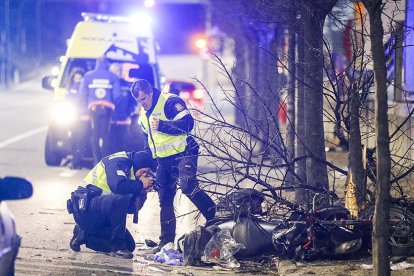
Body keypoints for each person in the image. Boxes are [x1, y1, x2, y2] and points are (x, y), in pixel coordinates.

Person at [130, 79, 216, 253]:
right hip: (164, 159)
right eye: (139, 101)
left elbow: (188, 124)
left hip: (185, 152)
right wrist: (148, 167)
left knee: (188, 186)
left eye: (144, 99)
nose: (143, 103)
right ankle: (166, 241)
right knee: (165, 198)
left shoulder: (170, 102)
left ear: (151, 92)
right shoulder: (143, 113)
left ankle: (215, 218)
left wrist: (163, 125)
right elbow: (149, 141)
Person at [68, 151, 155, 259]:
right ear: (137, 165)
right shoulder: (118, 162)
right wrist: (140, 184)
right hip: (86, 208)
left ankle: (83, 235)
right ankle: (118, 248)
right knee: (119, 200)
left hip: (101, 214)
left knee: (129, 246)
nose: (143, 176)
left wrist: (142, 192)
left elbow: (131, 209)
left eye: (146, 174)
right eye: (143, 172)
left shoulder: (132, 175)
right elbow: (117, 186)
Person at [79, 56, 121, 164]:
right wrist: (114, 104)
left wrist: (85, 104)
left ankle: (96, 159)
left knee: (95, 134)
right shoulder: (112, 76)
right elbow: (117, 94)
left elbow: (82, 93)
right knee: (105, 134)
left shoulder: (88, 76)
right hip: (107, 108)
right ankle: (105, 159)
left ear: (96, 63)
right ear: (106, 63)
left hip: (93, 108)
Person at [108, 63, 138, 154]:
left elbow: (134, 102)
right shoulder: (107, 85)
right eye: (113, 71)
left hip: (123, 121)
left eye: (117, 71)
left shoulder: (128, 85)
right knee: (110, 145)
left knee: (123, 145)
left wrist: (129, 113)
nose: (115, 73)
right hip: (109, 121)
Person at [65, 67, 89, 169]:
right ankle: (75, 161)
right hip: (72, 118)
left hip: (82, 118)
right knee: (72, 140)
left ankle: (77, 162)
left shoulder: (85, 88)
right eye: (76, 77)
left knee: (80, 140)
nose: (78, 79)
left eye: (80, 77)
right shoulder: (69, 88)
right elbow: (67, 101)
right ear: (73, 77)